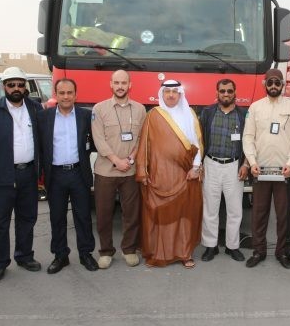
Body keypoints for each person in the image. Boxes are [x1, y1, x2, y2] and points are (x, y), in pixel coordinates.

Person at [0, 67, 43, 282]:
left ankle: (24, 256)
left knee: (27, 218)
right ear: (4, 86)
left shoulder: (35, 108)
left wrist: (41, 171)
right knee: (0, 222)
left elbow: (43, 140)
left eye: (20, 85)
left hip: (28, 173)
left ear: (25, 87)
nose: (16, 88)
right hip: (3, 175)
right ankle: (0, 262)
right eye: (11, 85)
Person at [135, 80, 203, 268]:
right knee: (160, 215)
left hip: (186, 174)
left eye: (175, 91)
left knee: (184, 215)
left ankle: (185, 253)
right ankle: (158, 253)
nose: (171, 95)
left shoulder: (190, 114)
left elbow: (198, 144)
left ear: (180, 94)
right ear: (162, 94)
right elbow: (144, 145)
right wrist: (143, 171)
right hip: (160, 174)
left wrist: (196, 168)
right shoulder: (153, 115)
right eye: (167, 92)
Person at [242, 69, 290, 269]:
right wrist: (252, 162)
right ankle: (258, 251)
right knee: (259, 214)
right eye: (270, 82)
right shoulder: (255, 108)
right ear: (265, 84)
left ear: (283, 84)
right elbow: (248, 137)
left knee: (284, 215)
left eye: (277, 82)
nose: (274, 86)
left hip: (284, 171)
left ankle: (283, 253)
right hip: (260, 170)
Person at [37, 78, 98, 274]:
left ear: (75, 95)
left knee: (83, 216)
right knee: (57, 217)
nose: (66, 96)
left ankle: (85, 254)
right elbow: (39, 147)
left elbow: (95, 142)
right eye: (61, 93)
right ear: (56, 94)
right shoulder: (44, 117)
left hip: (79, 173)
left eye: (69, 93)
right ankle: (60, 255)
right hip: (55, 175)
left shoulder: (85, 116)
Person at [91, 70, 146, 269]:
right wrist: (116, 160)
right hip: (105, 171)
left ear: (130, 85)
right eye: (117, 83)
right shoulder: (99, 108)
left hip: (130, 171)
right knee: (104, 214)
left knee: (131, 213)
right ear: (111, 84)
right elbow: (98, 139)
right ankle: (106, 251)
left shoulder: (140, 109)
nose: (120, 86)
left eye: (124, 83)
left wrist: (130, 159)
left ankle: (129, 249)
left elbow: (141, 138)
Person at [199, 79, 249, 262]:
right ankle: (210, 246)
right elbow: (200, 139)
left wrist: (246, 164)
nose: (226, 94)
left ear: (235, 93)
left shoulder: (243, 115)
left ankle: (232, 246)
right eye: (222, 91)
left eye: (229, 91)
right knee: (210, 209)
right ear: (217, 93)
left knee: (235, 210)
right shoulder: (207, 113)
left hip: (234, 167)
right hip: (211, 164)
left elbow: (250, 141)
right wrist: (199, 164)